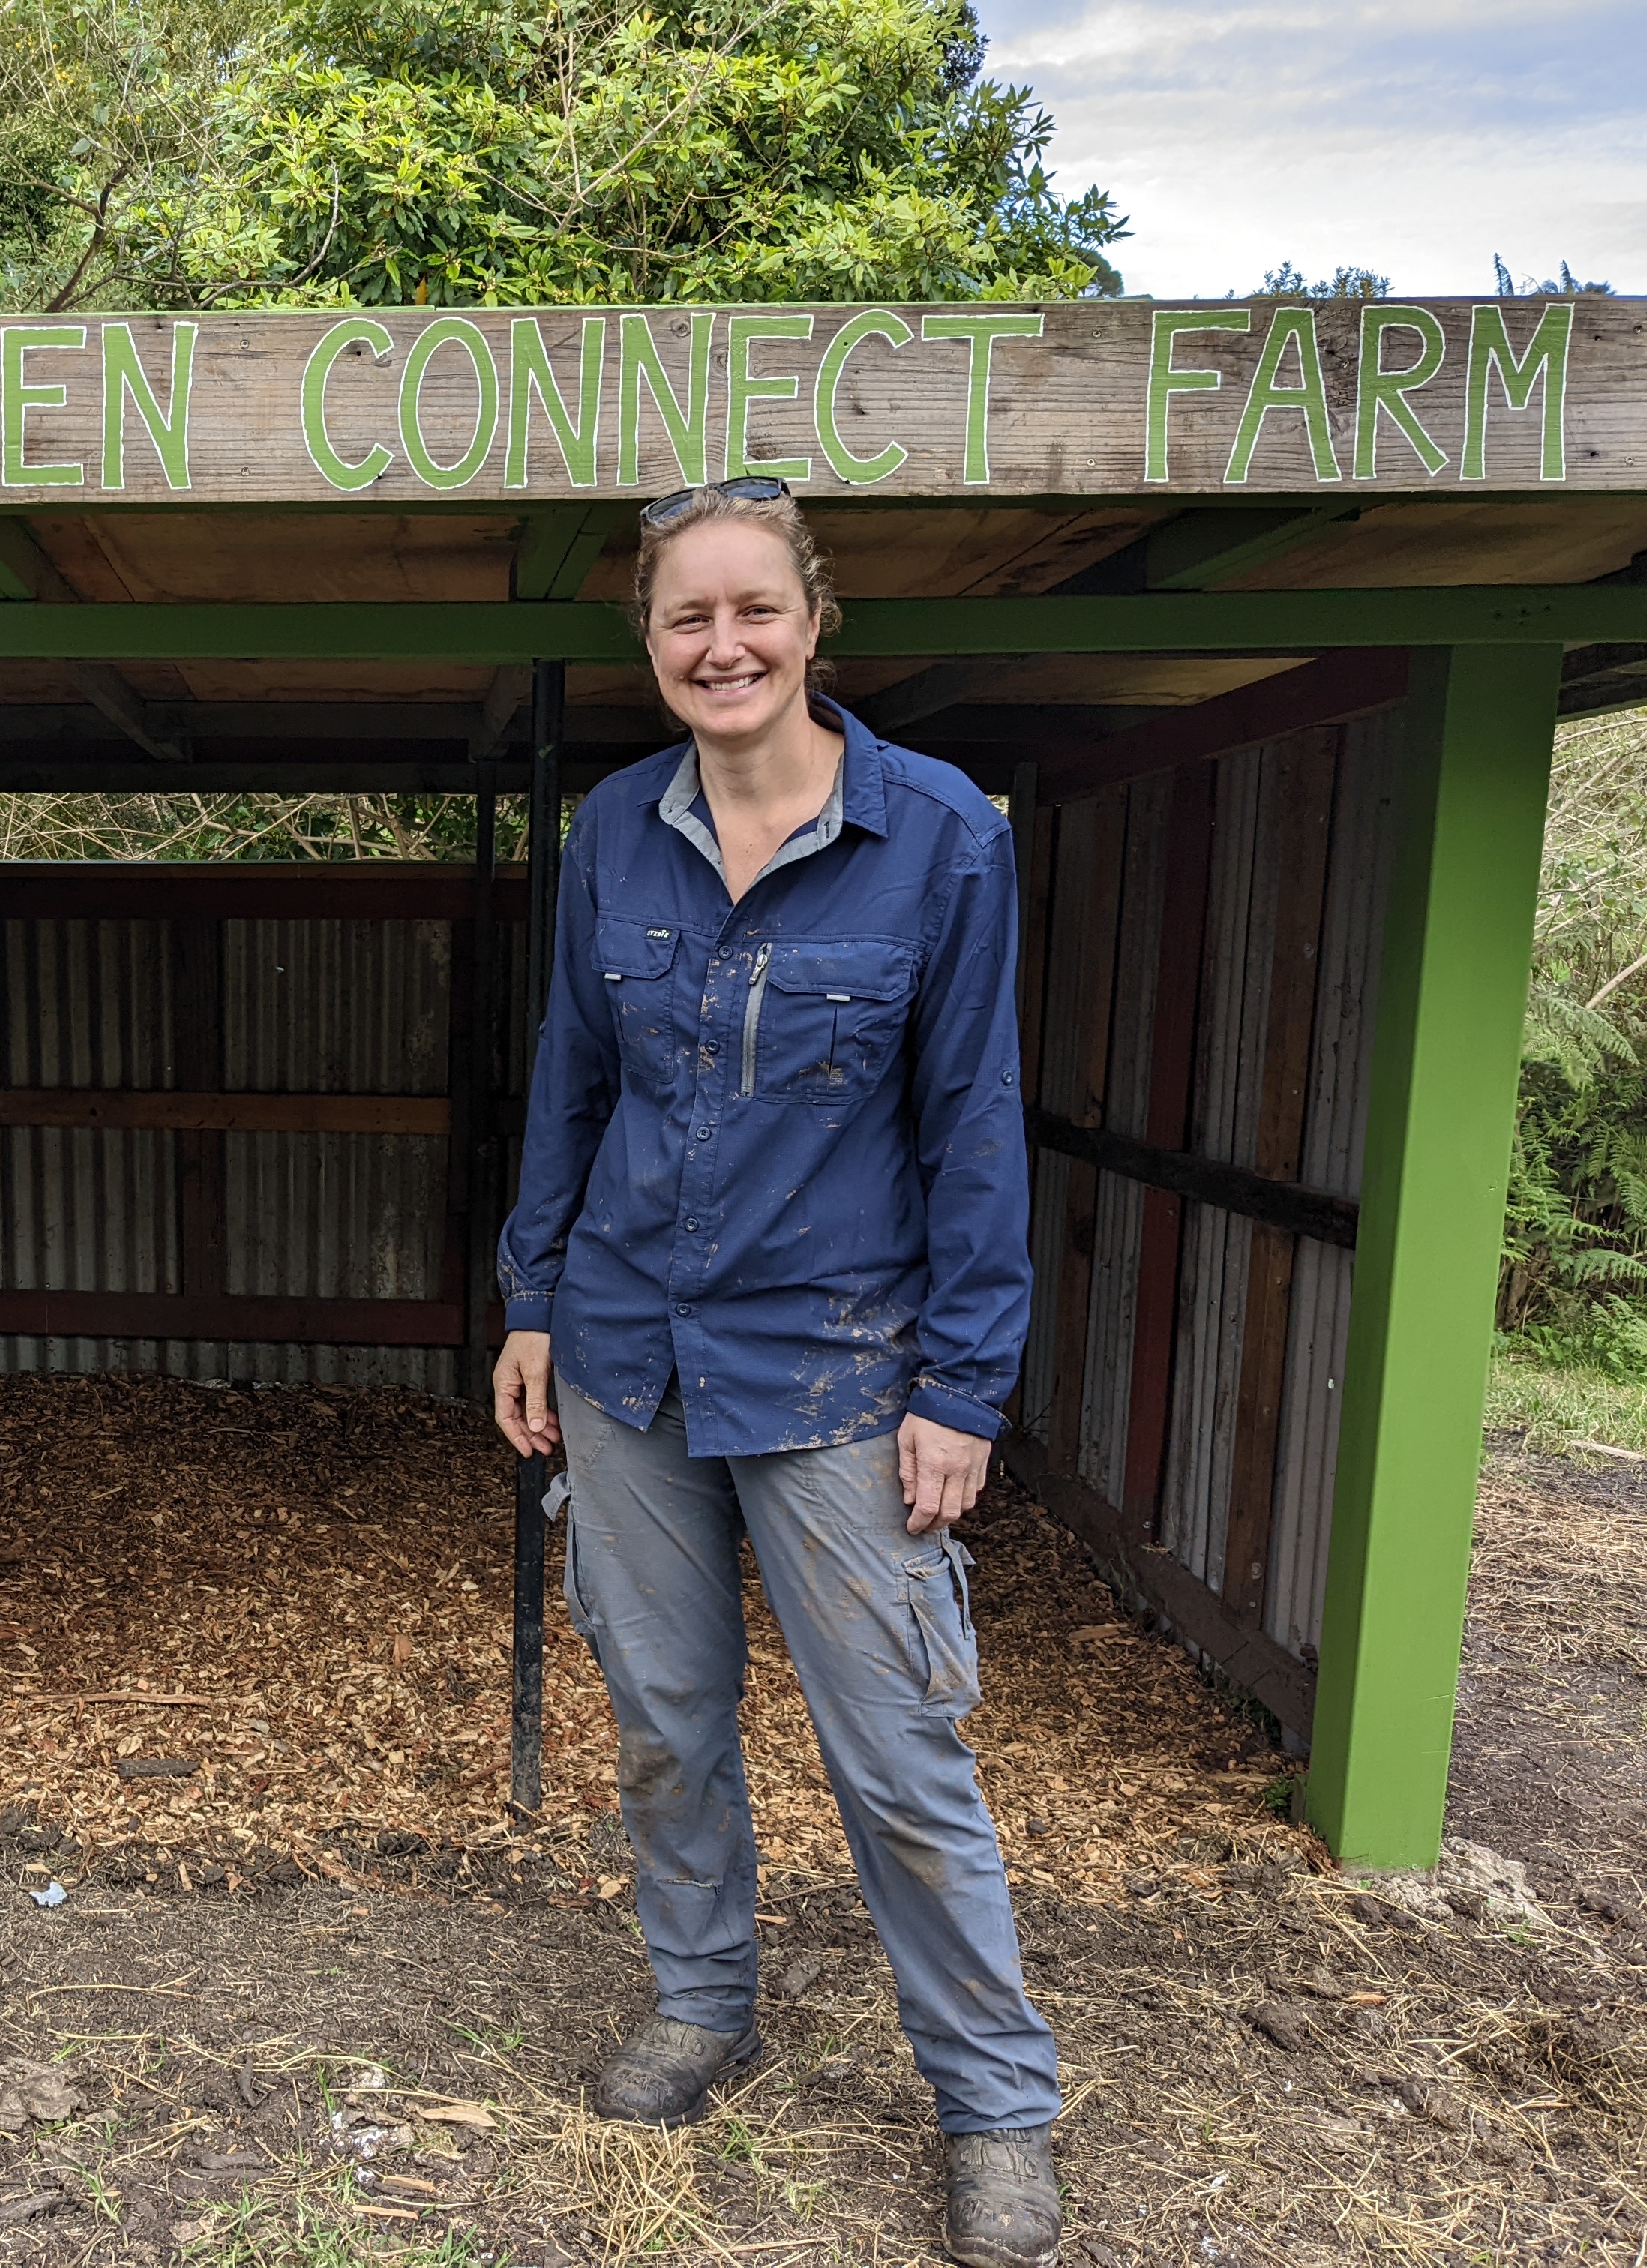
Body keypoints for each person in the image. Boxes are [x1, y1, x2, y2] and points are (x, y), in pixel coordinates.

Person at [492, 480, 1060, 2266]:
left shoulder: (940, 837)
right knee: (666, 1720)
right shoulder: (615, 830)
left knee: (895, 1747)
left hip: (837, 1366)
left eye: (755, 610)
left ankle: (994, 2100)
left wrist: (963, 1388)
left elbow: (974, 1124)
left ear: (814, 623)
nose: (722, 645)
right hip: (629, 1350)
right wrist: (532, 1297)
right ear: (650, 641)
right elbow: (571, 1078)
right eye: (688, 617)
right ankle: (702, 2004)